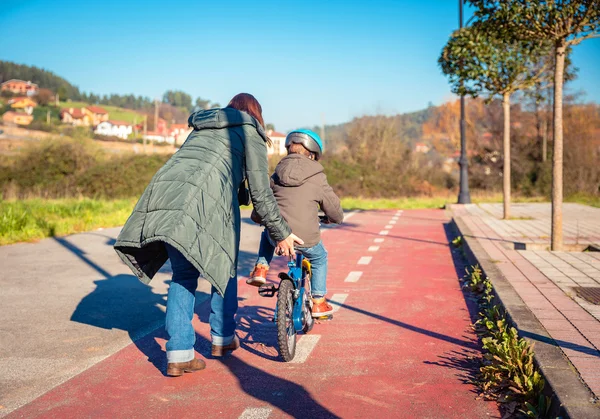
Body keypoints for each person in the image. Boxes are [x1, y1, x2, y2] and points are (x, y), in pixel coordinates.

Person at [114, 93, 303, 377]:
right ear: (256, 115)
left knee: (184, 275)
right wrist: (282, 233)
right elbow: (261, 194)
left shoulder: (203, 127)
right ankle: (223, 338)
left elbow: (210, 168)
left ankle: (178, 354)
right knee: (223, 266)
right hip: (206, 203)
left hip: (166, 195)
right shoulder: (249, 130)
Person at [247, 129, 343, 317]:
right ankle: (318, 301)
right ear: (313, 154)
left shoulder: (276, 175)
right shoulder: (317, 176)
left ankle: (261, 269)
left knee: (266, 235)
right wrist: (334, 218)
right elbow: (333, 208)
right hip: (306, 238)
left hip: (278, 235)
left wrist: (259, 219)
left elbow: (264, 201)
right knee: (319, 258)